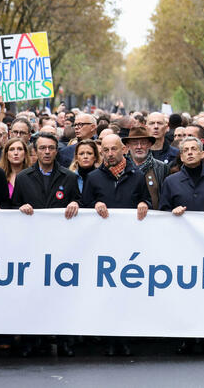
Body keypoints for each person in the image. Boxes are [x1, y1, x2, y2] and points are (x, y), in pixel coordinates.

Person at [11, 131, 82, 358]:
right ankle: (32, 341)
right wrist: (20, 209)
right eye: (42, 148)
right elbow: (12, 208)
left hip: (62, 246)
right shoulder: (23, 177)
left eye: (51, 148)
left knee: (62, 296)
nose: (47, 152)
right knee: (33, 295)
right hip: (32, 246)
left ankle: (64, 341)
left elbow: (80, 202)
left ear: (56, 150)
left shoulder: (69, 178)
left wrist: (74, 203)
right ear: (36, 151)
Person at [80, 134, 150, 357]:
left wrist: (143, 203)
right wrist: (95, 204)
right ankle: (109, 337)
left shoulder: (137, 176)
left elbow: (147, 200)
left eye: (114, 149)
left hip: (129, 243)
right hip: (102, 244)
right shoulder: (93, 177)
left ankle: (126, 337)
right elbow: (85, 205)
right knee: (106, 293)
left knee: (126, 293)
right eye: (106, 150)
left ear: (123, 150)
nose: (110, 154)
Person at [158, 137, 204, 216]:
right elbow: (163, 211)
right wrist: (173, 211)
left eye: (193, 149)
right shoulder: (170, 181)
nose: (190, 153)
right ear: (181, 157)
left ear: (202, 154)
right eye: (186, 150)